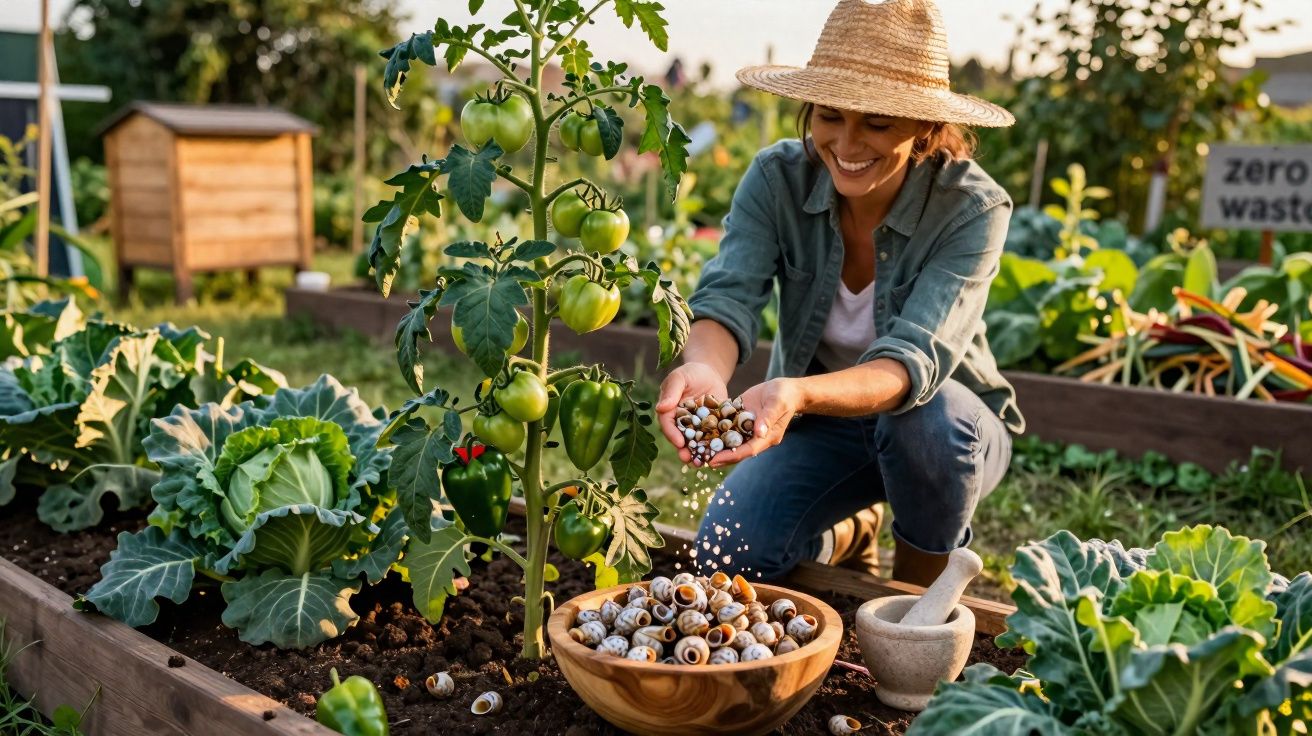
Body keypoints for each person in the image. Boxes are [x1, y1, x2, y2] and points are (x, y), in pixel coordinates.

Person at [655, 0, 1024, 587]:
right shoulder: (777, 179)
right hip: (823, 423)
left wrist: (793, 392)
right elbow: (728, 299)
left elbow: (911, 365)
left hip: (951, 433)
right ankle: (849, 535)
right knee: (728, 557)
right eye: (830, 116)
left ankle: (913, 604)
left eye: (877, 123)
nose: (848, 143)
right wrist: (703, 369)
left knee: (924, 423)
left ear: (924, 129)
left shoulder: (971, 208)